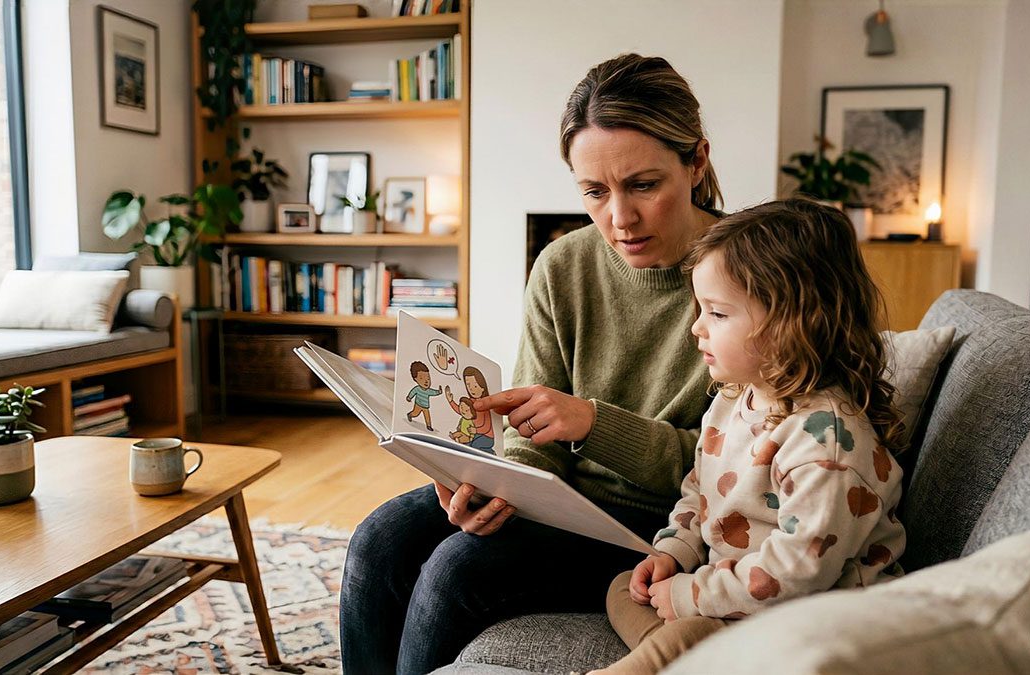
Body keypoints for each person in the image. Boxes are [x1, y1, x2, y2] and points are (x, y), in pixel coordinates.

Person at [339, 53, 725, 674]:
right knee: (379, 540)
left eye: (643, 185)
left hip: (661, 530)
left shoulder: (747, 280)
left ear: (696, 161)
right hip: (560, 500)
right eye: (594, 192)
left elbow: (730, 468)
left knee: (453, 573)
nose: (619, 219)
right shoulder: (563, 266)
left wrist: (594, 424)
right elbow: (531, 435)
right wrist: (493, 489)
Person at [595, 200, 908, 673]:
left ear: (792, 322)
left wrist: (693, 595)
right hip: (738, 595)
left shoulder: (827, 445)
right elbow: (699, 490)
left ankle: (680, 655)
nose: (697, 328)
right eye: (700, 309)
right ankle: (695, 658)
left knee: (690, 631)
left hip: (813, 616)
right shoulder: (732, 398)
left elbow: (796, 573)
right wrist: (674, 554)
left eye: (718, 314)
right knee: (625, 585)